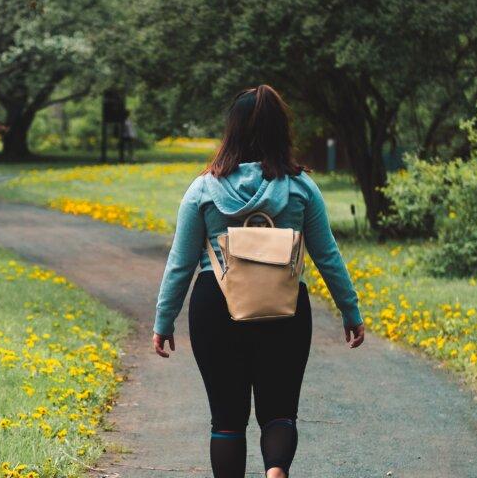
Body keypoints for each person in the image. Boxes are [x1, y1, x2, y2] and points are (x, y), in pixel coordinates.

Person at [151, 84, 365, 478]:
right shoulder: (301, 187)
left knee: (227, 420)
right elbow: (327, 257)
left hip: (216, 306)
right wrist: (350, 311)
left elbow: (180, 264)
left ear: (231, 131)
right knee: (279, 410)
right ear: (280, 130)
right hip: (284, 307)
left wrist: (163, 321)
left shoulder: (203, 189)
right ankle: (276, 471)